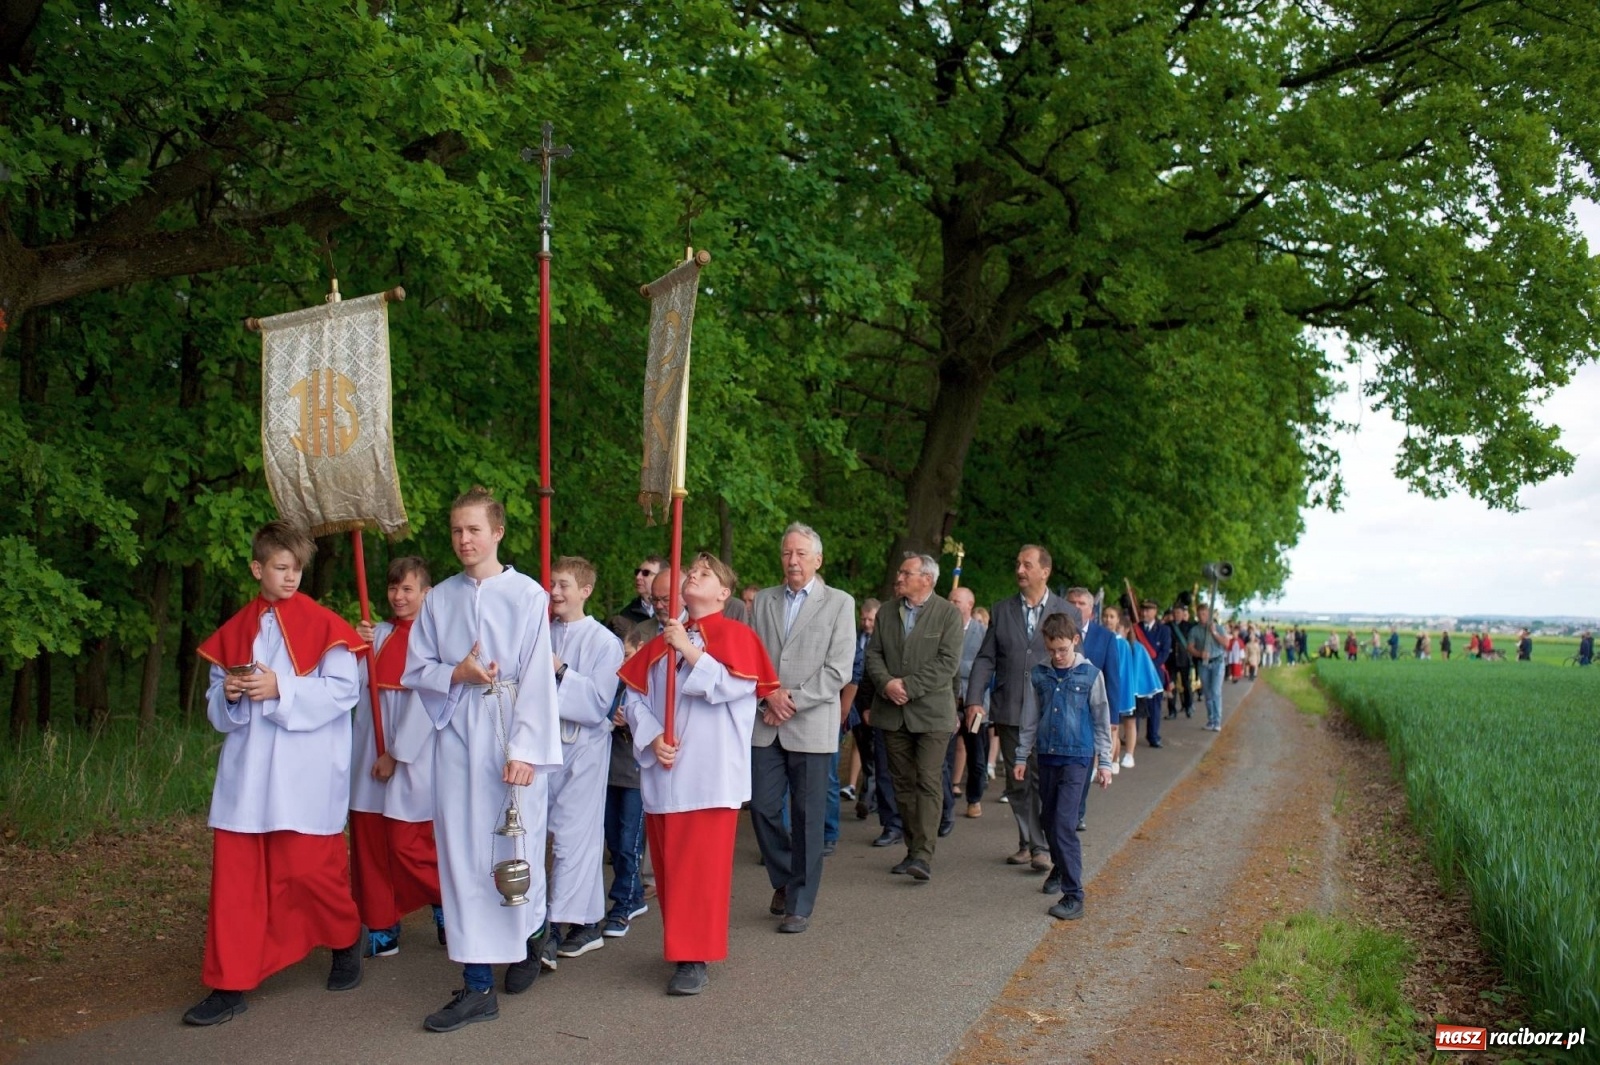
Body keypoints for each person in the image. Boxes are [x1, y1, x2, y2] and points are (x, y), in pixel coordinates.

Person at [184, 520, 366, 1026]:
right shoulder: (236, 630)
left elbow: (343, 691)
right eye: (281, 568)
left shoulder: (325, 624)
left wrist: (281, 688)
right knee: (236, 886)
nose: (291, 578)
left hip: (303, 774)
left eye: (298, 569)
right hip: (246, 777)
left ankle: (345, 939)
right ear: (257, 568)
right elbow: (216, 709)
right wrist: (230, 694)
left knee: (310, 872)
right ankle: (228, 984)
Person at [404, 487, 563, 1032]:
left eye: (473, 529)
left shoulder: (527, 596)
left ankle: (530, 937)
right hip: (457, 742)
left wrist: (526, 752)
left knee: (510, 851)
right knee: (461, 856)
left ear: (497, 532)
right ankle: (476, 987)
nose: (463, 540)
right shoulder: (440, 599)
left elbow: (538, 677)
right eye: (455, 531)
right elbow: (415, 669)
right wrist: (456, 674)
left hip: (509, 734)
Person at [619, 553, 780, 996]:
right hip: (665, 771)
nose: (694, 575)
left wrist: (688, 650)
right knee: (671, 866)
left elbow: (733, 687)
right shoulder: (660, 642)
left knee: (701, 871)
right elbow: (633, 701)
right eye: (691, 571)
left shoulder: (737, 636)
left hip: (709, 775)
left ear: (724, 594)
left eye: (705, 574)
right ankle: (680, 946)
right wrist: (652, 737)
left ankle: (695, 956)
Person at [749, 523, 856, 934]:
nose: (792, 561)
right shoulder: (764, 600)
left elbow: (838, 669)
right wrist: (767, 697)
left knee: (808, 816)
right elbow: (753, 658)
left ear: (817, 560)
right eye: (786, 553)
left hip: (810, 723)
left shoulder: (839, 603)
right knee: (761, 805)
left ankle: (800, 902)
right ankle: (785, 877)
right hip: (766, 722)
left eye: (800, 554)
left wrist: (789, 700)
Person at [350, 557, 444, 960]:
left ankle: (449, 903)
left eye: (408, 589)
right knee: (371, 846)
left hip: (413, 757)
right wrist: (355, 648)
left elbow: (429, 700)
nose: (398, 596)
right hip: (368, 753)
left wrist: (396, 753)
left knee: (411, 844)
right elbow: (349, 686)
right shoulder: (379, 634)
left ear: (426, 593)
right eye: (393, 588)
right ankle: (383, 925)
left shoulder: (437, 639)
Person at [539, 556, 627, 968]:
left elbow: (597, 703)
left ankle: (555, 927)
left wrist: (560, 671)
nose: (555, 591)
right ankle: (586, 921)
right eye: (553, 584)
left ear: (585, 591)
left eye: (564, 585)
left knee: (572, 835)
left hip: (583, 749)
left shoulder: (603, 642)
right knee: (546, 834)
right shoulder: (540, 631)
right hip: (543, 746)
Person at [965, 546, 1072, 870]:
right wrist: (973, 700)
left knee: (1043, 779)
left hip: (1050, 710)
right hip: (1010, 707)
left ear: (1045, 571)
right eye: (1017, 564)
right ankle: (1029, 842)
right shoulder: (1002, 609)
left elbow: (1075, 661)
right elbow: (986, 658)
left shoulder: (1065, 611)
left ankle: (1039, 845)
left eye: (1027, 565)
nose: (1020, 570)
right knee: (1017, 780)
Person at [866, 552, 963, 880]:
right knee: (902, 782)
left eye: (906, 573)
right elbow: (874, 654)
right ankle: (912, 847)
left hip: (932, 713)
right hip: (892, 713)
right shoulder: (887, 612)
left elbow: (947, 663)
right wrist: (887, 685)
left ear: (927, 579)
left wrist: (907, 686)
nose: (899, 577)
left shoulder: (948, 614)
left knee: (928, 778)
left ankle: (924, 853)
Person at [1015, 611, 1113, 920]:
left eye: (1063, 650)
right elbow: (1029, 718)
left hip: (1078, 758)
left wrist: (1105, 763)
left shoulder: (1091, 675)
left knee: (1064, 823)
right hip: (1047, 755)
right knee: (1047, 819)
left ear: (1075, 641)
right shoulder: (1039, 674)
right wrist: (1021, 755)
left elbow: (1101, 720)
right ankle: (1059, 866)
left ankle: (1074, 894)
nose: (1057, 656)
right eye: (1051, 649)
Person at [601, 621, 655, 939]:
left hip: (635, 773)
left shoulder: (651, 682)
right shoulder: (610, 680)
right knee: (612, 839)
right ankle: (632, 895)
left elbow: (659, 724)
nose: (623, 662)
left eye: (629, 654)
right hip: (608, 771)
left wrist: (632, 722)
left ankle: (623, 902)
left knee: (628, 842)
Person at [1064, 587, 1127, 829]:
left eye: (1082, 603)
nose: (1077, 607)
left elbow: (1113, 678)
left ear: (1092, 609)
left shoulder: (1105, 637)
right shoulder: (1055, 631)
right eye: (1072, 602)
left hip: (1090, 710)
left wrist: (1113, 717)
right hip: (1060, 707)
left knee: (1083, 762)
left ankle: (1078, 811)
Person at [949, 586, 989, 819]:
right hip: (949, 703)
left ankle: (974, 798)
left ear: (969, 605)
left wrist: (954, 667)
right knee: (944, 753)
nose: (952, 604)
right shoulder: (943, 629)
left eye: (957, 601)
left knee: (976, 755)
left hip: (975, 705)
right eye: (950, 600)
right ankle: (945, 799)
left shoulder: (982, 633)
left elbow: (983, 667)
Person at [1186, 603, 1227, 731]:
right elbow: (1190, 647)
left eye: (1204, 614)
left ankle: (1217, 720)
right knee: (1208, 693)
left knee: (1215, 691)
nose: (1201, 616)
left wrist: (1213, 632)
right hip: (1204, 663)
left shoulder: (1218, 628)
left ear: (1208, 614)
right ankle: (1211, 720)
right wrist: (1199, 653)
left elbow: (1226, 643)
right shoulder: (1194, 630)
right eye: (1199, 614)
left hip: (1217, 662)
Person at [1166, 603, 1194, 719]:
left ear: (1183, 614)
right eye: (1175, 613)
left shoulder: (1189, 626)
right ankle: (1172, 710)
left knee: (1186, 684)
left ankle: (1188, 706)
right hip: (1171, 659)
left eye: (1179, 613)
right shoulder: (1168, 626)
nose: (1176, 615)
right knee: (1171, 685)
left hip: (1184, 659)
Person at [620, 556, 665, 625]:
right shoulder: (626, 614)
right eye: (637, 572)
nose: (638, 577)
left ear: (662, 577)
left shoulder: (680, 608)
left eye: (646, 573)